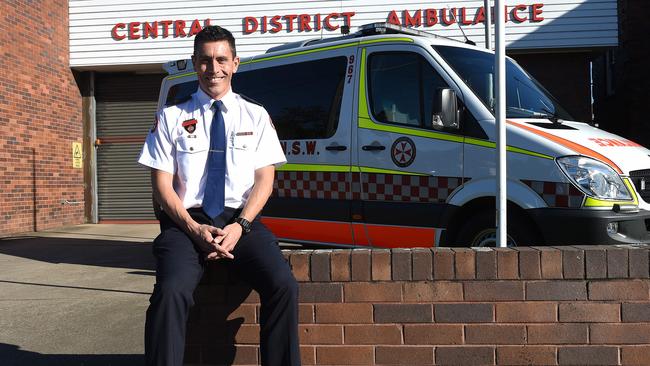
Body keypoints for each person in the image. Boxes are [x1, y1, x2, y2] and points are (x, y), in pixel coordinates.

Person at [138, 25, 300, 366]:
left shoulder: (255, 116)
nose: (214, 68)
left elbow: (264, 181)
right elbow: (162, 186)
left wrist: (240, 225)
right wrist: (194, 229)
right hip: (186, 223)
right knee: (170, 292)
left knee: (283, 285)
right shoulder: (171, 117)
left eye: (222, 59)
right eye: (206, 60)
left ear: (236, 63)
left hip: (240, 222)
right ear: (195, 63)